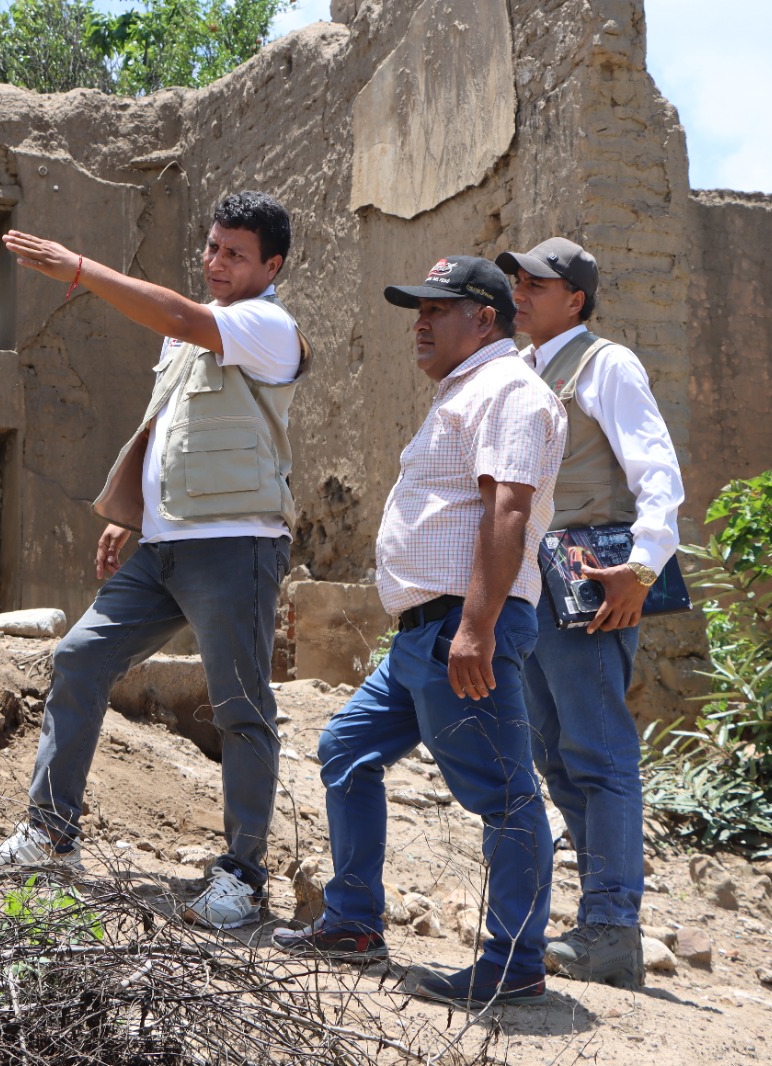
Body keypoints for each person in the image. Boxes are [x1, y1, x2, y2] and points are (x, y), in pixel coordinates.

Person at [0, 191, 308, 931]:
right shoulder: (191, 335)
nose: (217, 263)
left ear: (271, 266)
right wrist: (134, 517)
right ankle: (52, 835)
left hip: (235, 546)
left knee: (241, 709)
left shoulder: (266, 326)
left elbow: (185, 318)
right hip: (166, 546)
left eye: (236, 254)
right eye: (213, 247)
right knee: (81, 658)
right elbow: (172, 429)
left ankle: (244, 880)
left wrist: (82, 269)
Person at [275, 256, 566, 1008]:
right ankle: (354, 923)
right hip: (422, 639)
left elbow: (507, 512)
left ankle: (514, 963)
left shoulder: (510, 391)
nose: (421, 323)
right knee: (345, 748)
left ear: (486, 318)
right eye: (418, 310)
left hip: (462, 632)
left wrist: (478, 628)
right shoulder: (465, 391)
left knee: (504, 796)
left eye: (439, 309)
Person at [494, 237, 684, 989]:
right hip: (530, 588)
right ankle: (598, 919)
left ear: (575, 297)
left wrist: (642, 567)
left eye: (537, 283)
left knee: (600, 755)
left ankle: (613, 926)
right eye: (518, 280)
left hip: (589, 585)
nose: (521, 291)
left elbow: (657, 470)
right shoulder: (520, 371)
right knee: (555, 756)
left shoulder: (606, 365)